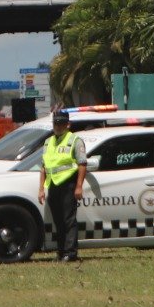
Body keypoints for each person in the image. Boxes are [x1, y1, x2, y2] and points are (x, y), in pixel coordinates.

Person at [38, 108, 88, 262]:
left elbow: (82, 164)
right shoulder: (48, 142)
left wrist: (79, 186)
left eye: (61, 123)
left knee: (69, 220)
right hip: (54, 185)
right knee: (58, 221)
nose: (58, 126)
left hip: (69, 184)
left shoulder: (74, 140)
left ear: (68, 124)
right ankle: (60, 252)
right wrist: (41, 189)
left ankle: (70, 253)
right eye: (55, 123)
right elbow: (44, 167)